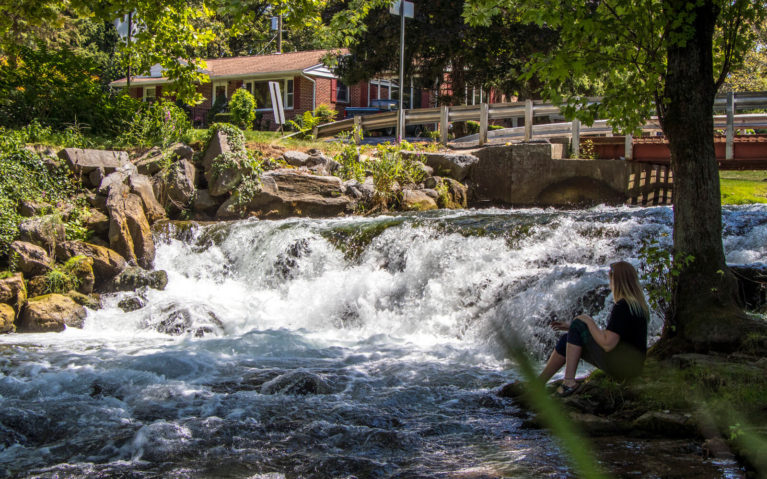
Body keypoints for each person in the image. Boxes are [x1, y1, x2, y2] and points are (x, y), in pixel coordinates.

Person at [539, 261, 650, 396]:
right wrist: (572, 328)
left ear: (616, 281)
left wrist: (587, 320)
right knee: (567, 338)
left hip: (621, 368)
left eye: (611, 279)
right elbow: (614, 336)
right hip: (631, 367)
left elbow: (608, 344)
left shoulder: (622, 306)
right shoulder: (637, 306)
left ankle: (568, 383)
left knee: (580, 323)